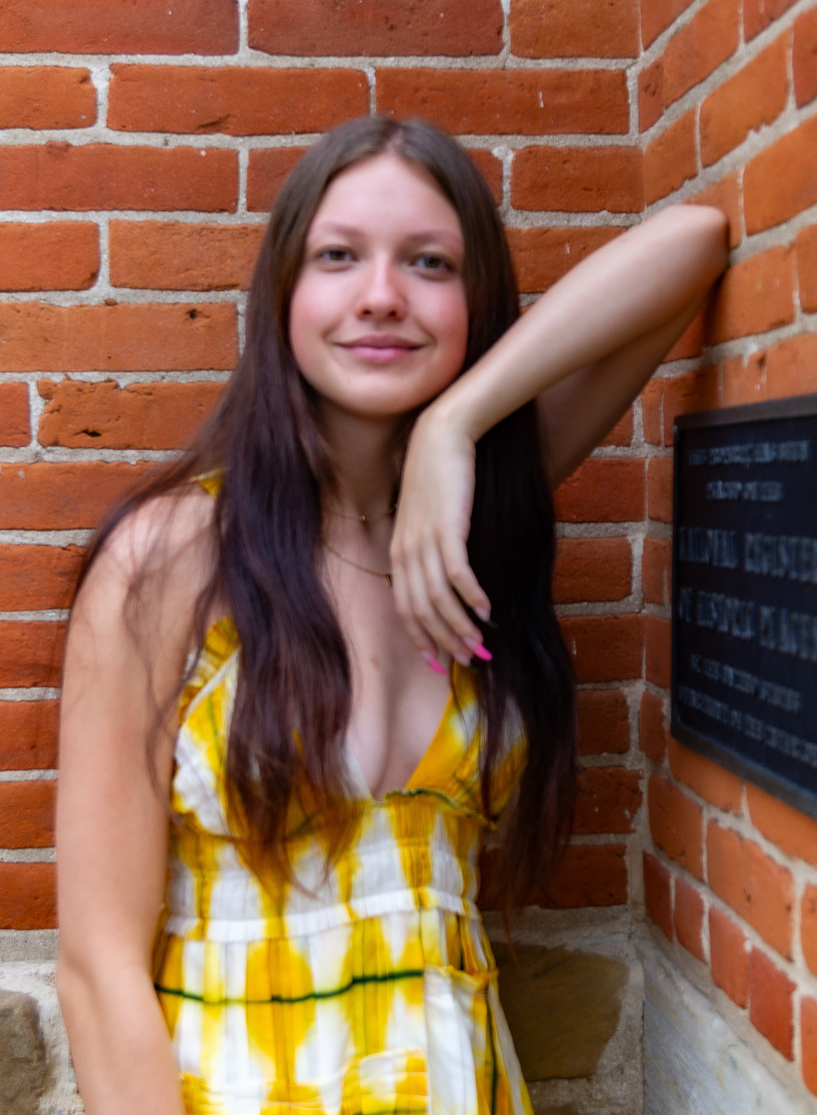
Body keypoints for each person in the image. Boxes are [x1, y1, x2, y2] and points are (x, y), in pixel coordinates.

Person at [55, 115, 729, 1115]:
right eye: (338, 256)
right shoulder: (172, 560)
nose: (382, 295)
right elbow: (96, 966)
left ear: (475, 303)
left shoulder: (466, 527)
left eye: (429, 262)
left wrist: (457, 423)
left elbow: (693, 245)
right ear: (282, 296)